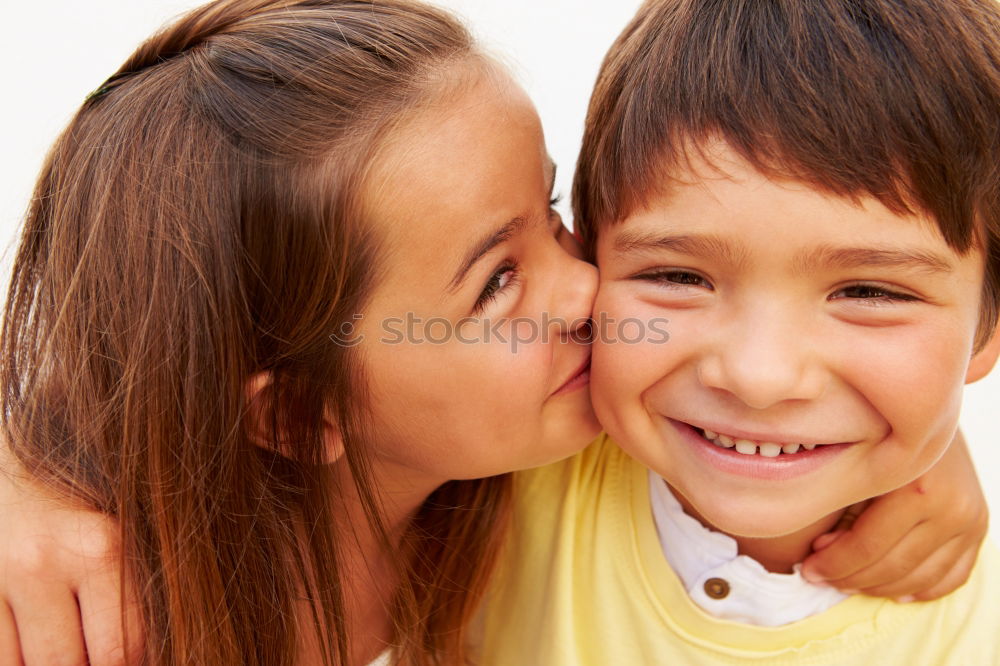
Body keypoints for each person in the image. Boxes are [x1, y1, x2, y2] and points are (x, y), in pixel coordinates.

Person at [0, 0, 990, 664]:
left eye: (553, 212)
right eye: (498, 280)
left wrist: (916, 446)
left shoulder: (527, 475)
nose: (590, 288)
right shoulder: (85, 607)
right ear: (298, 411)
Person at [477, 0, 1000, 663]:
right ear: (589, 263)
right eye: (679, 278)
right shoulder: (499, 484)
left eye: (869, 291)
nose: (759, 377)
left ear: (988, 324)